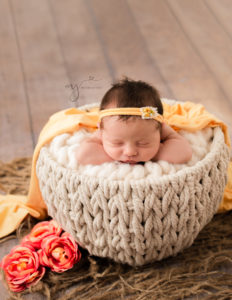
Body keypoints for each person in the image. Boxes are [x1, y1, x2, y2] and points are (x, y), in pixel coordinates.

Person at [76, 78, 192, 165]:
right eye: (117, 143)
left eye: (143, 143)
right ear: (101, 133)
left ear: (160, 133)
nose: (130, 152)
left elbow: (185, 153)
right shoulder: (103, 133)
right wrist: (99, 135)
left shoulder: (157, 140)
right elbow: (83, 155)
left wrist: (169, 135)